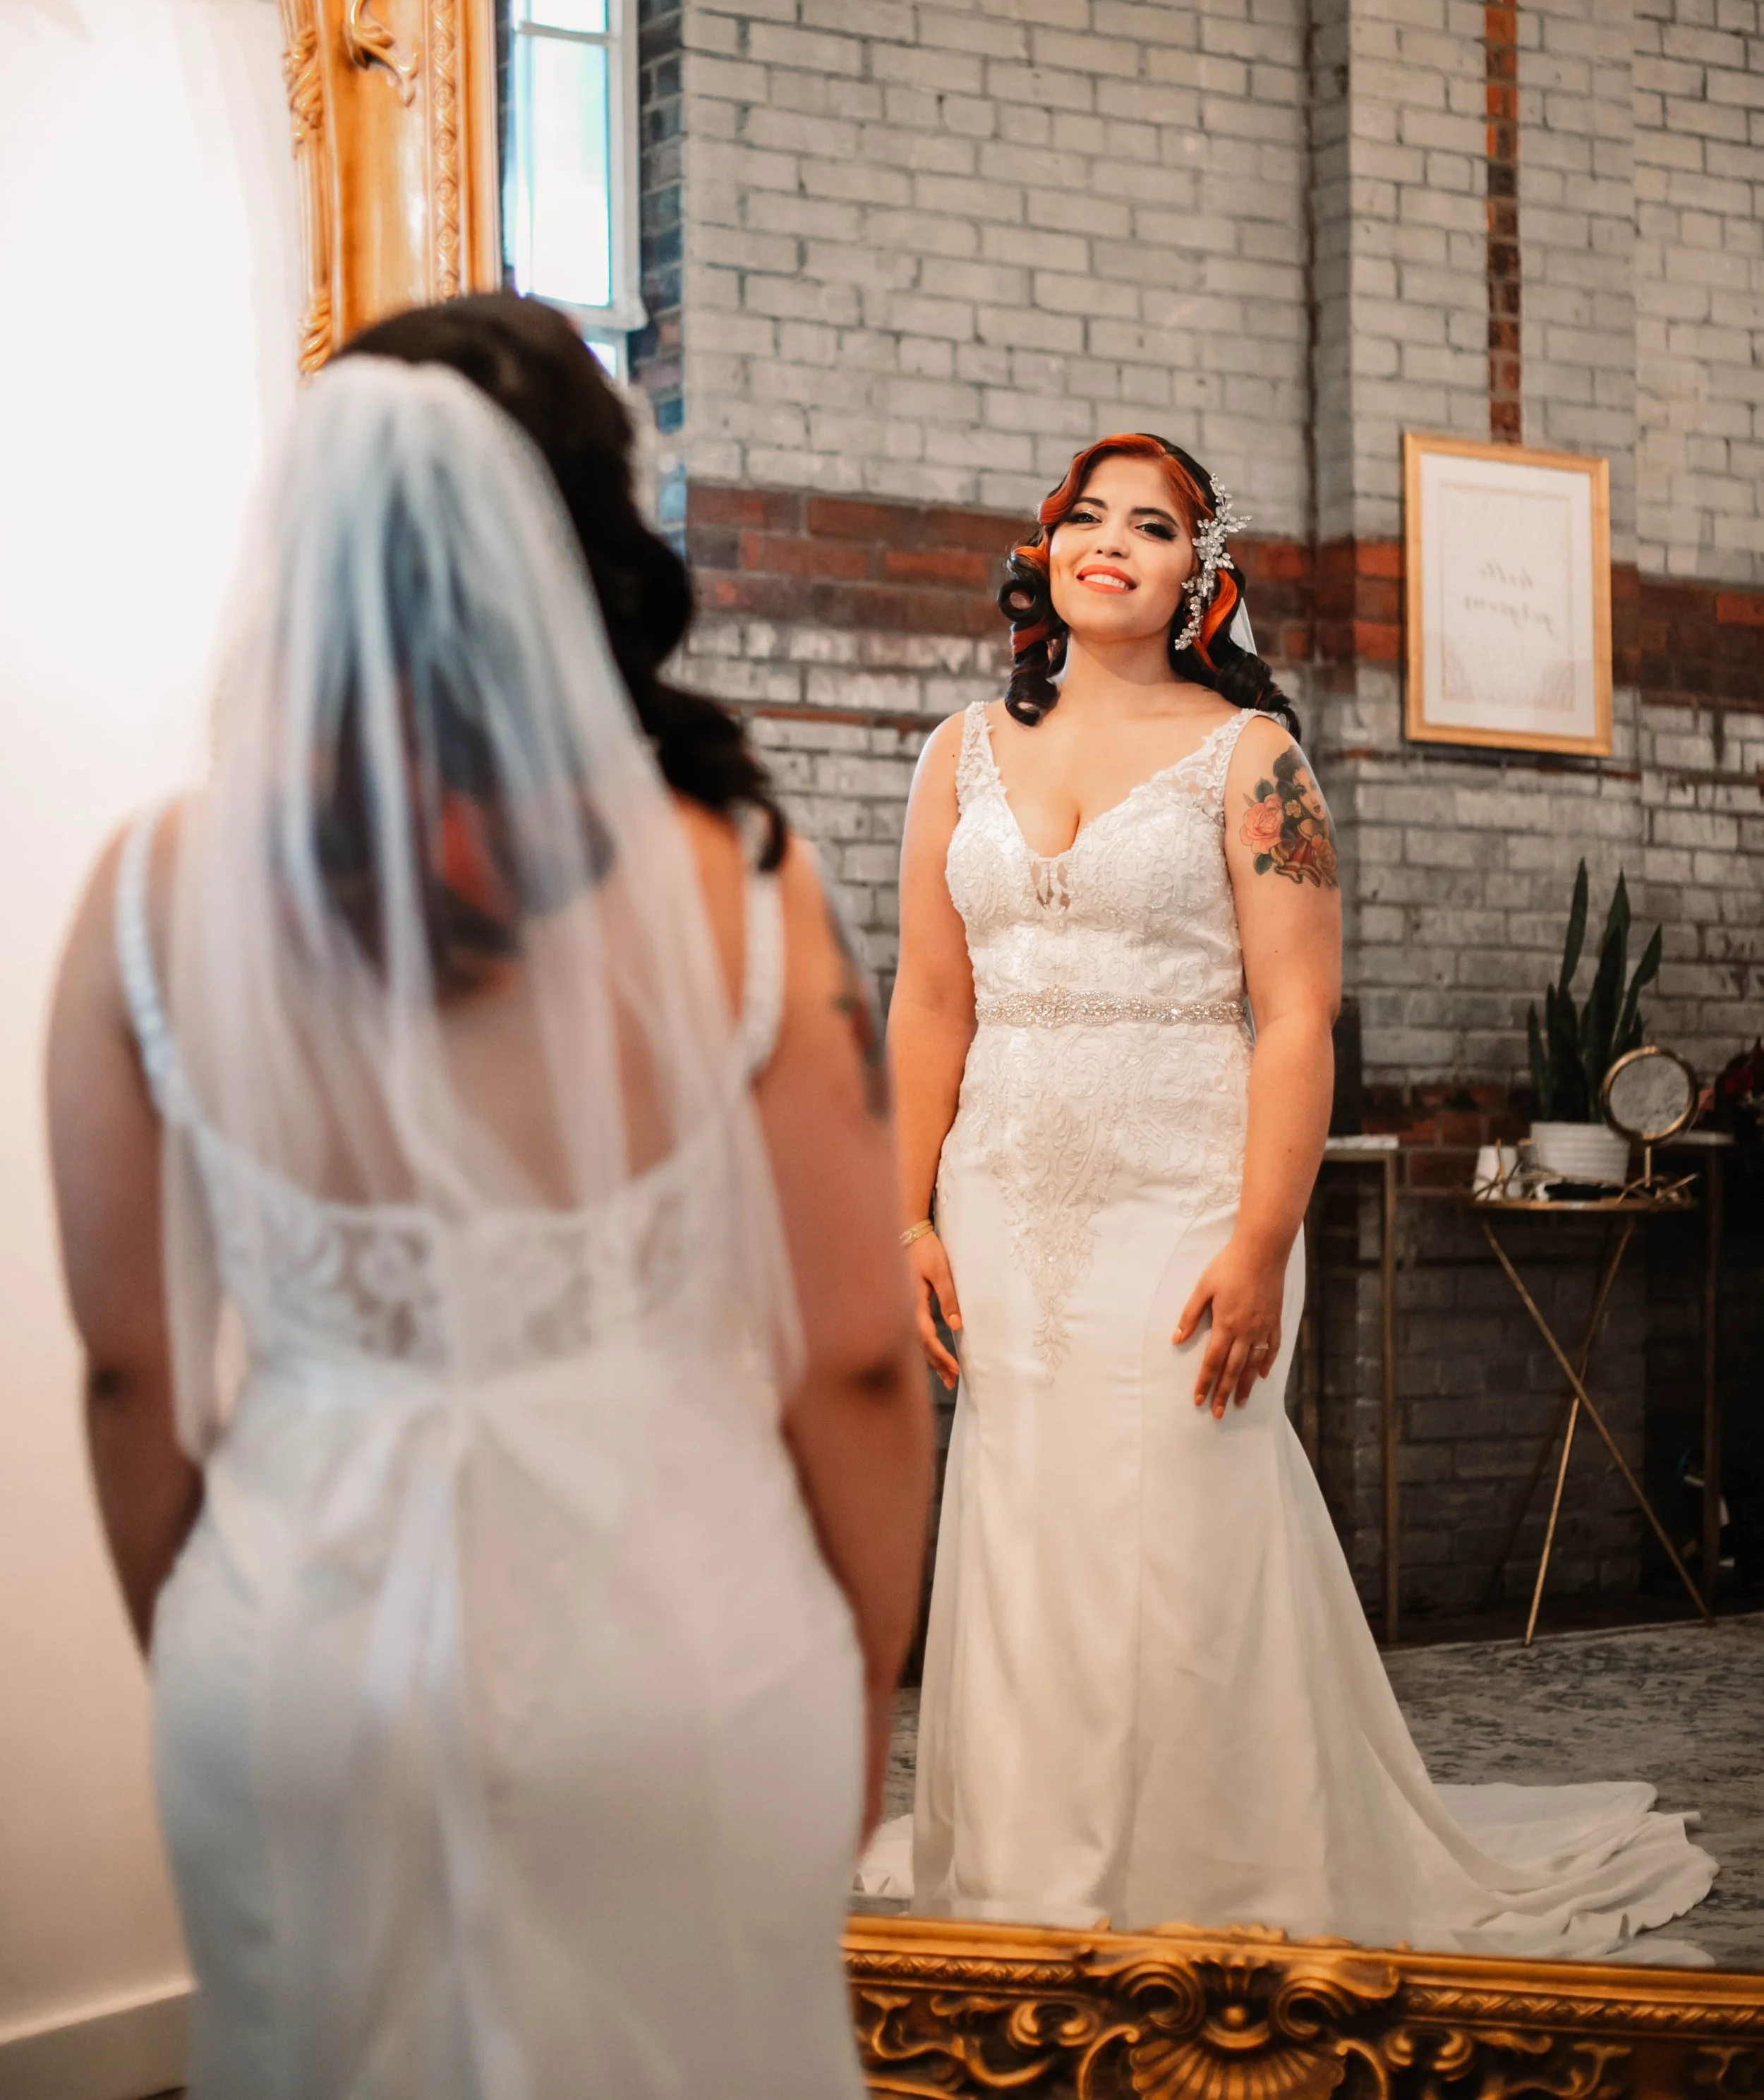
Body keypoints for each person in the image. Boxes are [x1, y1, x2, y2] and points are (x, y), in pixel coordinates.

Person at [48, 294, 931, 2100]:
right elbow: (853, 1362)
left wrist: (227, 1656)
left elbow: (130, 1372)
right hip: (678, 1656)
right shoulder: (737, 880)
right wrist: (860, 1688)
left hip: (290, 1655)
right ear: (589, 534)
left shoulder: (151, 893)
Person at [867, 429, 1715, 1961]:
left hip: (1188, 1193)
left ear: (1204, 575)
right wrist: (905, 1216)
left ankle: (1216, 1880)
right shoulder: (952, 753)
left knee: (1183, 1526)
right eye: (1084, 516)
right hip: (1002, 1193)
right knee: (1022, 1524)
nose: (1108, 540)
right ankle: (1027, 1880)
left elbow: (1293, 1019)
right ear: (1046, 549)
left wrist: (1262, 1241)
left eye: (1152, 523)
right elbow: (929, 1005)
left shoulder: (1251, 756)